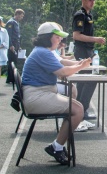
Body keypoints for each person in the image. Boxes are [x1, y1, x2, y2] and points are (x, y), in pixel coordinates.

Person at [21, 22, 91, 165]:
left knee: (76, 105)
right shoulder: (42, 52)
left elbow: (62, 67)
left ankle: (57, 145)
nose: (60, 40)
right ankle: (56, 147)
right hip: (36, 97)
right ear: (47, 37)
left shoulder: (42, 51)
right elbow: (63, 72)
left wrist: (79, 65)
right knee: (78, 110)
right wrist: (81, 66)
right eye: (57, 37)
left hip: (40, 93)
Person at [72, 0, 106, 120]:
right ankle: (82, 110)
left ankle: (80, 110)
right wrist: (95, 39)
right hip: (82, 50)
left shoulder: (88, 15)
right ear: (83, 0)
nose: (92, 2)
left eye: (93, 0)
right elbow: (76, 35)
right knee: (89, 80)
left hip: (88, 51)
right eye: (90, 0)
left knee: (85, 81)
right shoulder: (80, 15)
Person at [5, 9, 25, 84]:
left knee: (15, 61)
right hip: (12, 44)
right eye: (21, 16)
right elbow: (8, 35)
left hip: (16, 44)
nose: (21, 18)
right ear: (17, 14)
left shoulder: (16, 23)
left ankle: (13, 78)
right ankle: (10, 79)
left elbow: (17, 36)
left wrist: (19, 46)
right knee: (11, 61)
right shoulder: (11, 22)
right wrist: (10, 45)